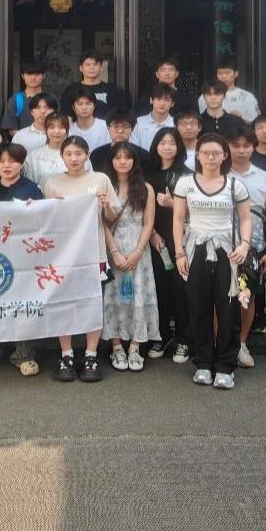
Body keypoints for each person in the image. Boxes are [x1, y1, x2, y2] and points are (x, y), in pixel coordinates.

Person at [172, 132, 252, 390]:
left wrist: (244, 245)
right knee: (199, 307)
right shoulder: (185, 183)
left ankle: (226, 366)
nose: (210, 157)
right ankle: (203, 363)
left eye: (216, 153)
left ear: (224, 156)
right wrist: (179, 253)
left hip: (228, 252)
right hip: (195, 249)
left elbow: (246, 219)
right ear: (198, 155)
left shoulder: (235, 185)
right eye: (205, 153)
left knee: (228, 309)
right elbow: (178, 219)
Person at [43, 135, 120, 383]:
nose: (74, 158)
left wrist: (106, 205)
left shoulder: (100, 179)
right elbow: (45, 221)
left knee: (92, 303)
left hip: (94, 252)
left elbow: (112, 217)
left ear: (87, 155)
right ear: (62, 156)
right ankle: (66, 354)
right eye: (69, 154)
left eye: (78, 153)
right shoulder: (52, 184)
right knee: (63, 303)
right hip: (63, 254)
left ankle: (91, 355)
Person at [0, 143, 44, 377]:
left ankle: (24, 353)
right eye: (2, 161)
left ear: (21, 164)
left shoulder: (32, 189)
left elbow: (41, 222)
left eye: (12, 161)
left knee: (22, 302)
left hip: (22, 255)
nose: (7, 165)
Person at [228, 126, 266, 368]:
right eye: (235, 146)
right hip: (219, 247)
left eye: (246, 146)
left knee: (245, 297)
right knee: (219, 297)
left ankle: (241, 343)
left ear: (253, 147)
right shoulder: (216, 175)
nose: (241, 150)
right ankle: (221, 343)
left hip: (252, 250)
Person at [104, 143, 160, 372]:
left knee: (139, 294)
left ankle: (135, 347)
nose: (122, 161)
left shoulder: (146, 188)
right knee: (113, 296)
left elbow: (148, 223)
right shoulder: (105, 187)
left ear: (134, 161)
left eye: (127, 157)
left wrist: (137, 252)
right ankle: (116, 346)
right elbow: (102, 223)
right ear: (111, 161)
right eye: (117, 157)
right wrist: (114, 252)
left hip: (139, 249)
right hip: (113, 250)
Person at [146, 127, 191, 364]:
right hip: (154, 240)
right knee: (158, 289)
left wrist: (173, 204)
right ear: (155, 146)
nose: (167, 147)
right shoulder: (148, 173)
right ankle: (162, 336)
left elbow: (198, 209)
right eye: (162, 142)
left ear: (179, 146)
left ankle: (184, 338)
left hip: (181, 242)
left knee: (180, 290)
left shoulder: (187, 174)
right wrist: (152, 233)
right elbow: (139, 208)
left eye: (172, 143)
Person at [60, 50, 126, 118]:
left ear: (101, 67)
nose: (92, 67)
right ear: (81, 68)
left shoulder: (113, 90)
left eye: (95, 64)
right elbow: (66, 116)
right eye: (88, 65)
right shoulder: (71, 90)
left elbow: (121, 116)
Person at [24, 113, 83, 189]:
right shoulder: (34, 156)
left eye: (61, 127)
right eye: (52, 127)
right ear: (46, 130)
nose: (56, 131)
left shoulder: (78, 154)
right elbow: (28, 184)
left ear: (67, 130)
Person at [0, 60, 47, 134]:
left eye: (37, 74)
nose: (33, 77)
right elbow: (11, 130)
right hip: (22, 141)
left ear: (43, 76)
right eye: (29, 74)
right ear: (22, 76)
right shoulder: (15, 100)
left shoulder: (51, 99)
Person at [130, 83, 176, 150]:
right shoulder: (139, 122)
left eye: (167, 100)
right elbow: (133, 148)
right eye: (158, 99)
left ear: (172, 103)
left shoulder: (175, 124)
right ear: (151, 100)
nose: (162, 103)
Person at [68, 87, 110, 152]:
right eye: (80, 104)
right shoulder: (69, 130)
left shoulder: (105, 126)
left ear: (94, 106)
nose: (84, 107)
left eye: (88, 103)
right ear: (73, 107)